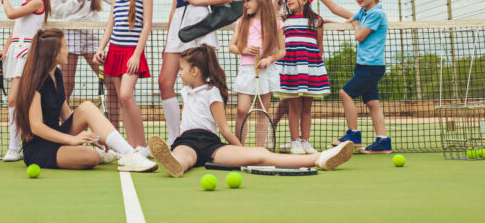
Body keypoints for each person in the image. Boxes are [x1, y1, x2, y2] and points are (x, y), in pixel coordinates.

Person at [147, 45, 355, 177]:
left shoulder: (212, 92)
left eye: (181, 69)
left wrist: (241, 150)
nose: (179, 73)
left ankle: (320, 158)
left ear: (194, 71)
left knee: (261, 154)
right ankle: (174, 163)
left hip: (211, 144)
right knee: (183, 158)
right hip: (187, 141)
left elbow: (225, 130)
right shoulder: (185, 91)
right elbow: (186, 123)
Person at [15, 28, 158, 172]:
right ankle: (104, 155)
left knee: (87, 107)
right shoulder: (35, 81)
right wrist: (72, 140)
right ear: (54, 53)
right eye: (65, 47)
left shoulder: (56, 74)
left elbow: (66, 114)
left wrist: (95, 136)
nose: (68, 50)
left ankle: (128, 154)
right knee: (91, 157)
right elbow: (36, 127)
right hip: (39, 148)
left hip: (58, 137)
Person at [270, 0, 353, 152]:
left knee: (298, 102)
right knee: (287, 100)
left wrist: (357, 18)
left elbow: (331, 9)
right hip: (288, 50)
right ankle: (279, 134)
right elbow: (273, 13)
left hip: (307, 57)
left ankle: (300, 140)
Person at [159, 0, 233, 146]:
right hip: (178, 29)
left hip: (200, 25)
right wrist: (168, 38)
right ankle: (175, 138)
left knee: (203, 83)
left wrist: (197, 0)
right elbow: (175, 5)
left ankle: (206, 134)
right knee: (165, 82)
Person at [48, 0, 120, 127]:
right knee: (66, 87)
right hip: (69, 33)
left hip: (92, 33)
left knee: (111, 83)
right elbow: (56, 11)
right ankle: (62, 133)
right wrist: (76, 0)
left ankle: (113, 138)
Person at [94, 0, 153, 157]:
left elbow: (146, 25)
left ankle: (143, 146)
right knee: (121, 99)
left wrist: (137, 54)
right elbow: (111, 24)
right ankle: (131, 147)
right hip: (114, 51)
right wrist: (101, 48)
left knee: (127, 96)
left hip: (131, 53)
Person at [0, 0, 51, 161]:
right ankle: (19, 146)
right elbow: (15, 30)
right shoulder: (27, 6)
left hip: (29, 54)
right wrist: (4, 50)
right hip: (17, 53)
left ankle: (14, 148)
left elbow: (10, 14)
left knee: (14, 99)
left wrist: (4, 1)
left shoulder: (37, 3)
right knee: (18, 101)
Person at [332, 0, 392, 153]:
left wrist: (356, 23)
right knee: (372, 103)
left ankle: (353, 135)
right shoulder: (364, 11)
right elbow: (349, 21)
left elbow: (359, 36)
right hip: (364, 65)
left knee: (345, 93)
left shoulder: (376, 13)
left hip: (371, 67)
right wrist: (327, 23)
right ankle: (383, 141)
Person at [228, 0, 285, 147]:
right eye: (244, 1)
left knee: (262, 111)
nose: (245, 5)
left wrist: (270, 59)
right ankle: (239, 148)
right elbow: (232, 46)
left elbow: (282, 51)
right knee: (242, 110)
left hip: (266, 71)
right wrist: (243, 50)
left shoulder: (276, 23)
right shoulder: (241, 22)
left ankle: (260, 150)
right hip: (247, 70)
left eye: (248, 0)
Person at [274, 0, 328, 155]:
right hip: (291, 68)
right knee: (294, 106)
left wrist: (317, 68)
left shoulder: (316, 21)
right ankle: (295, 141)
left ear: (305, 0)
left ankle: (305, 141)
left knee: (307, 108)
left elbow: (319, 47)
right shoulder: (284, 21)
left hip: (310, 68)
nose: (288, 0)